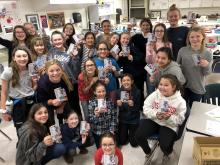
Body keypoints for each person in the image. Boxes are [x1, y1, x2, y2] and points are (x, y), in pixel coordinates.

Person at [135, 74, 187, 164]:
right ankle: (148, 152)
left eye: (166, 85)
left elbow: (180, 120)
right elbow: (146, 107)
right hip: (155, 120)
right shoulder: (156, 94)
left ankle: (167, 153)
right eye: (161, 84)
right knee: (138, 136)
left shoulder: (180, 101)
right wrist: (156, 114)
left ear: (174, 87)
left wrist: (169, 117)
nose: (162, 87)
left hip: (169, 124)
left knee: (165, 145)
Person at [0, 46, 36, 133]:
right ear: (14, 58)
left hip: (32, 102)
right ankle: (22, 146)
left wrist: (35, 81)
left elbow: (33, 88)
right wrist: (3, 111)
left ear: (28, 57)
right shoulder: (8, 72)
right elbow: (4, 92)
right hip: (17, 105)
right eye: (19, 56)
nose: (22, 58)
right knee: (22, 130)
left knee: (35, 128)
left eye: (24, 56)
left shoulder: (31, 69)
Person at [177, 26, 213, 108]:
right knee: (183, 109)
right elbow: (177, 66)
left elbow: (207, 73)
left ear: (203, 37)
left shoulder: (207, 52)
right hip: (183, 85)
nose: (195, 39)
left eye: (198, 36)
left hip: (198, 86)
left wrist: (206, 65)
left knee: (194, 111)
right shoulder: (182, 50)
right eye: (192, 37)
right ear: (188, 39)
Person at [48, 30, 81, 116]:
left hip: (71, 84)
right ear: (52, 42)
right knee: (62, 110)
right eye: (55, 40)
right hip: (57, 85)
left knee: (75, 108)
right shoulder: (51, 53)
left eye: (59, 39)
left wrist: (75, 58)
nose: (57, 41)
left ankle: (79, 127)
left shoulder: (70, 51)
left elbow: (76, 70)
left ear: (63, 39)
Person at [37, 59, 73, 126]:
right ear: (47, 72)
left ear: (61, 70)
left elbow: (68, 96)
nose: (55, 73)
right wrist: (52, 102)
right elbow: (41, 101)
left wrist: (61, 107)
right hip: (47, 103)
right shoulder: (42, 83)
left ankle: (66, 129)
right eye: (51, 71)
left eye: (58, 70)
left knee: (70, 115)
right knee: (50, 120)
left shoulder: (65, 80)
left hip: (62, 101)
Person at [88, 81, 117, 148]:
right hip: (98, 132)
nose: (101, 93)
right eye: (99, 92)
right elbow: (91, 121)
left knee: (111, 148)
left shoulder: (109, 102)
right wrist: (96, 115)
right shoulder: (92, 104)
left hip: (109, 130)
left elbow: (114, 117)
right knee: (101, 150)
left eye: (103, 91)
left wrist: (112, 130)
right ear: (95, 92)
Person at [116, 73, 140, 147]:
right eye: (124, 80)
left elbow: (138, 108)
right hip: (123, 119)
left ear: (132, 81)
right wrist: (119, 105)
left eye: (128, 80)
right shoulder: (118, 92)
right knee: (122, 142)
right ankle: (125, 134)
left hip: (134, 119)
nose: (126, 82)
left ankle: (134, 132)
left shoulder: (137, 92)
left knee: (134, 144)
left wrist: (133, 105)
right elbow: (120, 109)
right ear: (121, 82)